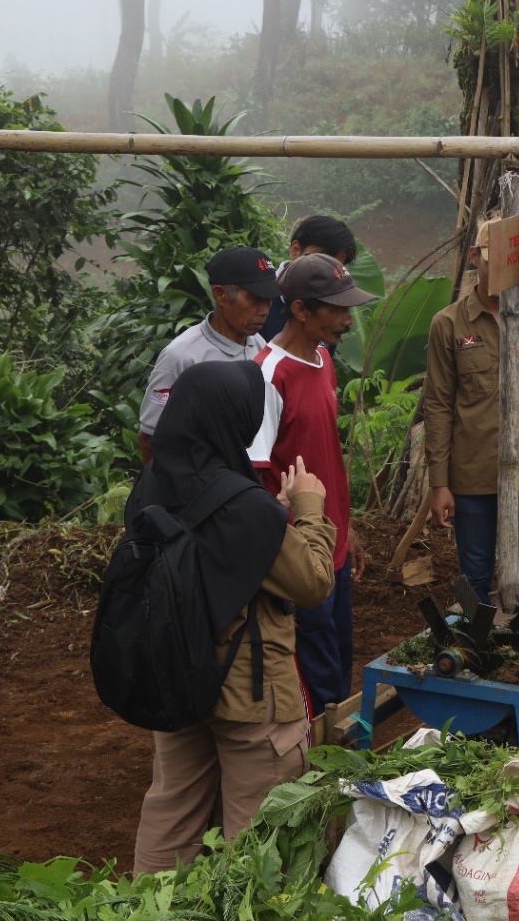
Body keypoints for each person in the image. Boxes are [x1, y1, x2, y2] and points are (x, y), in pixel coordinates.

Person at [132, 360, 336, 873]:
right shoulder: (246, 508)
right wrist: (307, 509)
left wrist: (270, 513)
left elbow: (212, 551)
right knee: (259, 833)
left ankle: (148, 908)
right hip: (249, 688)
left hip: (177, 673)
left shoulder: (152, 485)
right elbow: (310, 582)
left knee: (172, 810)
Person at [248, 252, 376, 715]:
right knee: (312, 658)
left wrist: (346, 525)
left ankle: (334, 749)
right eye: (336, 309)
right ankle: (315, 763)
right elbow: (258, 476)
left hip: (332, 538)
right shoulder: (268, 375)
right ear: (300, 309)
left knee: (338, 650)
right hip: (298, 548)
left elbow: (325, 456)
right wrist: (293, 547)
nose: (346, 320)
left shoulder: (322, 359)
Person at [424, 223, 519, 606]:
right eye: (500, 262)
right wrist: (440, 483)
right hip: (473, 477)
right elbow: (439, 405)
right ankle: (477, 656)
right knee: (474, 573)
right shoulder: (449, 324)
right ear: (476, 256)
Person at [138, 246, 280, 462]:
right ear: (221, 295)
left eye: (269, 299)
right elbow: (150, 437)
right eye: (255, 299)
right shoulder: (181, 356)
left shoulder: (259, 346)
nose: (265, 310)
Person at [260, 214, 359, 342]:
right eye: (319, 259)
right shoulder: (260, 294)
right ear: (295, 250)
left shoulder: (331, 309)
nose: (326, 272)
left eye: (334, 267)